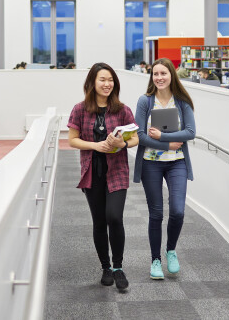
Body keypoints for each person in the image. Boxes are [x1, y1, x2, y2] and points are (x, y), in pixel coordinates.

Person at [68, 62, 137, 291]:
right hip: (92, 172)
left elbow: (135, 138)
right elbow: (72, 140)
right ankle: (105, 267)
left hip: (117, 171)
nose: (107, 84)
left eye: (110, 80)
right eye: (102, 80)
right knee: (99, 221)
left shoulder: (122, 109)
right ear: (92, 82)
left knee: (114, 217)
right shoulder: (80, 109)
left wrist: (123, 143)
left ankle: (118, 267)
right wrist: (96, 146)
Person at [134, 58, 196, 281]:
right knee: (156, 213)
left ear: (172, 75)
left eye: (163, 73)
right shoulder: (145, 101)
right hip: (151, 163)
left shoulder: (182, 101)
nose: (159, 77)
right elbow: (139, 135)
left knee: (178, 211)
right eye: (155, 74)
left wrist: (163, 136)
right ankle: (155, 259)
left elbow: (190, 132)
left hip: (177, 162)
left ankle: (171, 250)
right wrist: (166, 144)